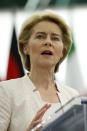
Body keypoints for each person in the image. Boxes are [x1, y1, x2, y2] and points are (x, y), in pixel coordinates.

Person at [0, 10, 80, 131]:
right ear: (26, 47)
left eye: (55, 38)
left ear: (62, 51)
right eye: (40, 36)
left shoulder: (73, 96)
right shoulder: (6, 91)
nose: (48, 42)